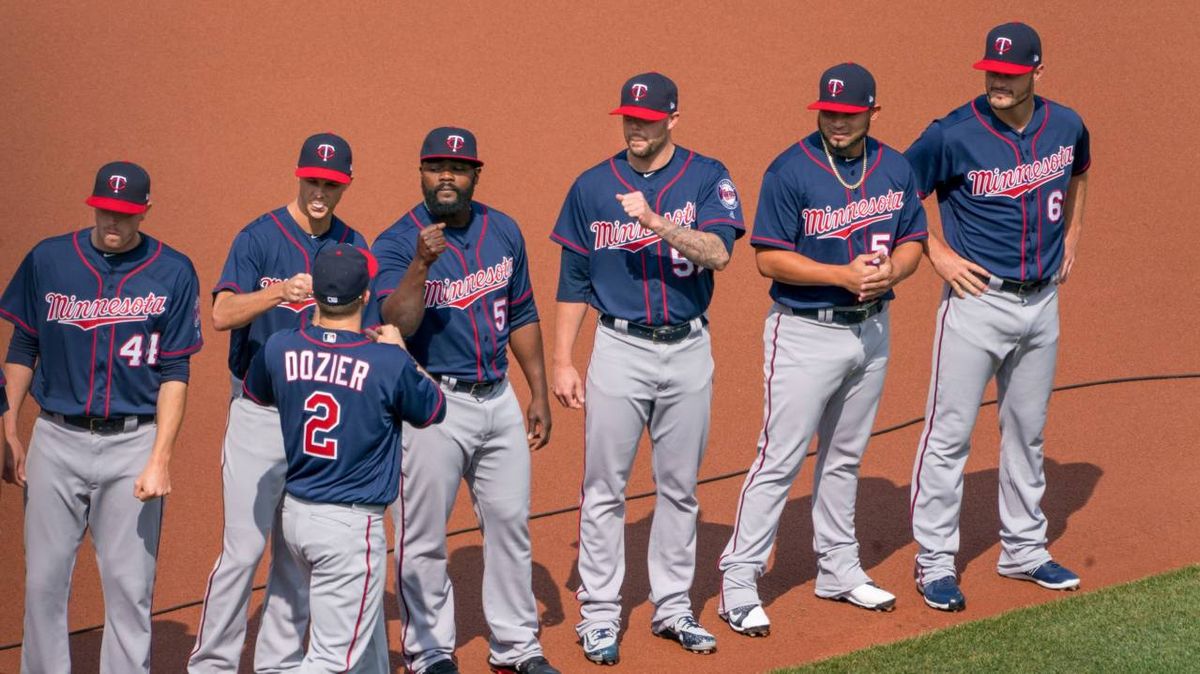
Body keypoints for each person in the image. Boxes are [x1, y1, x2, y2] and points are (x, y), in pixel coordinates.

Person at [717, 63, 928, 636]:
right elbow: (767, 258)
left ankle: (837, 568)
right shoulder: (791, 170)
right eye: (828, 111)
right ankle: (737, 579)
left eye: (848, 112)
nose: (836, 120)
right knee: (779, 457)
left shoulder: (895, 167)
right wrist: (840, 276)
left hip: (872, 330)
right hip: (806, 331)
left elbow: (913, 238)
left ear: (872, 113)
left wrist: (893, 277)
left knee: (844, 456)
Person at [550, 72, 745, 664]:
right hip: (619, 348)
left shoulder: (709, 176)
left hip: (687, 347)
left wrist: (657, 223)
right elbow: (573, 281)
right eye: (628, 119)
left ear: (672, 119)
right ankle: (601, 614)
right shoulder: (590, 186)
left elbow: (720, 253)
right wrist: (563, 359)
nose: (636, 127)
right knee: (603, 487)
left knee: (680, 487)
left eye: (647, 119)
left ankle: (672, 608)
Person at [906, 21, 1091, 611]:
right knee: (948, 435)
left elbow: (1080, 170)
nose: (998, 82)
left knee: (1026, 432)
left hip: (1042, 303)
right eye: (992, 72)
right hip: (975, 303)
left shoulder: (1066, 125)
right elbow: (893, 192)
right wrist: (938, 255)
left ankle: (1024, 550)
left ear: (1037, 72)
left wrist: (1074, 232)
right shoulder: (951, 134)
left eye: (1011, 75)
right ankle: (934, 561)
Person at [0, 161, 203, 673]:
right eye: (106, 211)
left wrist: (161, 458)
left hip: (133, 444)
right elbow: (24, 343)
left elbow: (176, 370)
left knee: (129, 587)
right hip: (56, 437)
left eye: (126, 214)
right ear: (93, 204)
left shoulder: (173, 270)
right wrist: (9, 427)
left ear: (146, 211)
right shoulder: (49, 260)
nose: (113, 223)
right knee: (44, 583)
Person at [370, 127, 560, 674]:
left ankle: (516, 647)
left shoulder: (502, 230)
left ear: (476, 174)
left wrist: (537, 391)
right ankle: (430, 650)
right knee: (422, 536)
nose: (445, 176)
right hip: (431, 403)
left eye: (457, 167)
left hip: (498, 397)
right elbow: (396, 323)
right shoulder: (396, 242)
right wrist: (421, 266)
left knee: (510, 525)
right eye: (435, 166)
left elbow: (521, 312)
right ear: (421, 174)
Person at [190, 133, 370, 672]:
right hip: (260, 415)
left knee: (296, 555)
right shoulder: (257, 237)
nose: (321, 191)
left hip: (320, 423)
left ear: (344, 185)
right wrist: (278, 294)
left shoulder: (353, 244)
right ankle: (212, 665)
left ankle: (279, 663)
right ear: (298, 176)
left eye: (332, 183)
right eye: (313, 180)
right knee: (242, 553)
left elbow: (370, 322)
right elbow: (220, 315)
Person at [242, 243, 446, 672]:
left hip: (296, 515)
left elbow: (257, 392)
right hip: (349, 527)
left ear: (314, 293)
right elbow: (434, 409)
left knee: (358, 646)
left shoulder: (280, 347)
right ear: (367, 297)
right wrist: (401, 352)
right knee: (332, 659)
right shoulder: (386, 362)